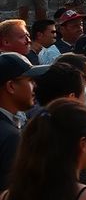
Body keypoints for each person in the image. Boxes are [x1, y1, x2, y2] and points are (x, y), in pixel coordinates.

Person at [0, 52, 49, 190]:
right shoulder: (10, 136)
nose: (35, 86)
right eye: (30, 80)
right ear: (11, 86)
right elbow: (12, 195)